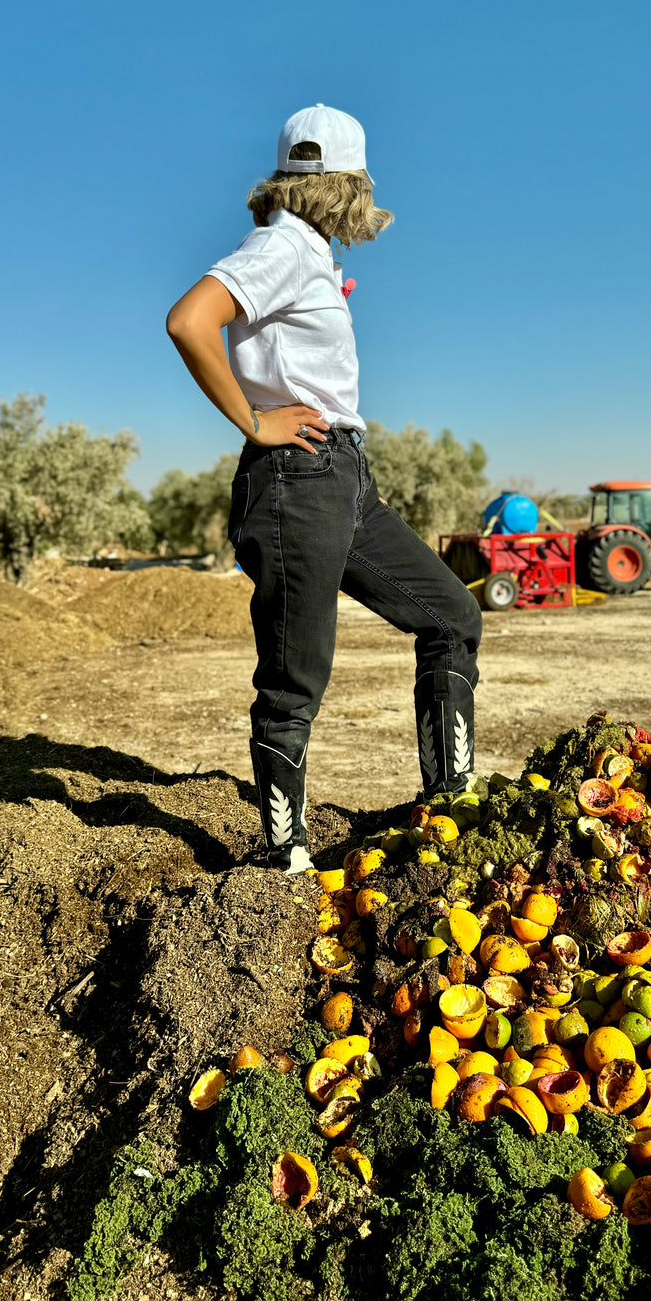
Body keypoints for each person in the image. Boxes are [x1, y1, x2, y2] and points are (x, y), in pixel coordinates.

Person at [166, 105, 483, 874]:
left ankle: (451, 808)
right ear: (345, 184)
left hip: (341, 478)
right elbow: (188, 321)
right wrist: (255, 422)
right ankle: (286, 856)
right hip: (297, 479)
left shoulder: (305, 251)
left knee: (451, 615)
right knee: (294, 676)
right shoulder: (282, 246)